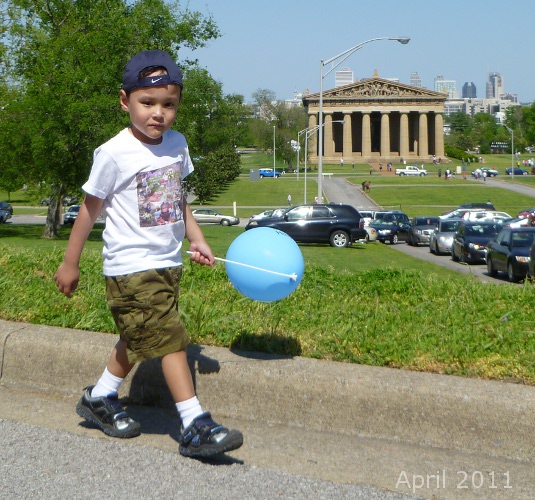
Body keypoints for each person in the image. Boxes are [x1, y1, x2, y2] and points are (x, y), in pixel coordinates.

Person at [54, 50, 243, 458]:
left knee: (140, 335)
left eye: (168, 104)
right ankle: (193, 424)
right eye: (147, 103)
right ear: (125, 101)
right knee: (170, 337)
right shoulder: (113, 152)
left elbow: (178, 200)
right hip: (130, 266)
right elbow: (88, 211)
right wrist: (70, 263)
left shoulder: (176, 145)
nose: (158, 114)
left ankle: (100, 398)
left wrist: (196, 238)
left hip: (167, 263)